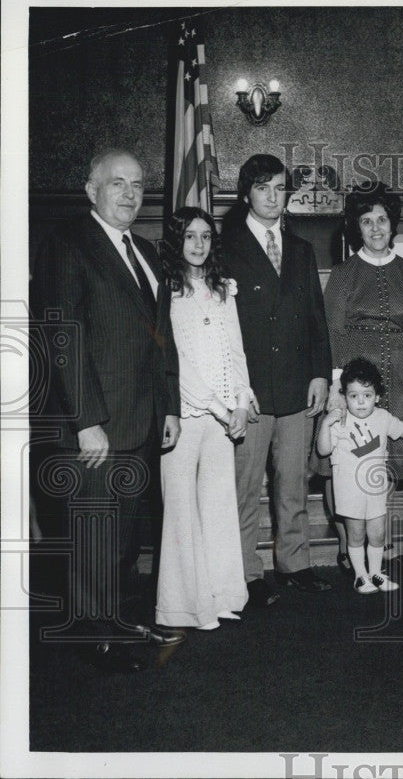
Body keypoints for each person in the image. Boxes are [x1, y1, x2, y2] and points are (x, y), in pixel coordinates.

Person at [32, 149, 184, 673]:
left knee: (122, 535)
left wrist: (169, 405)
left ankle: (118, 620)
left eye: (138, 185)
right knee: (94, 535)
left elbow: (160, 340)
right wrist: (86, 421)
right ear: (90, 189)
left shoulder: (143, 249)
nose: (129, 193)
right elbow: (62, 337)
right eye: (116, 183)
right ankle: (93, 636)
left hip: (142, 418)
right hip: (96, 424)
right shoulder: (67, 244)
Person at [221, 153, 332, 606]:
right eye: (263, 187)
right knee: (244, 489)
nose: (272, 196)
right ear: (247, 192)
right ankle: (246, 573)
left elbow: (316, 320)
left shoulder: (302, 249)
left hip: (295, 387)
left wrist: (321, 375)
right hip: (246, 391)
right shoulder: (223, 246)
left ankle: (295, 564)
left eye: (280, 188)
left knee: (293, 484)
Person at [314, 182, 403, 578]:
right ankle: (349, 545)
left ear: (392, 224)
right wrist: (337, 391)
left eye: (382, 219)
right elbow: (332, 332)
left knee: (388, 461)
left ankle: (380, 543)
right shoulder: (344, 275)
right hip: (354, 378)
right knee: (342, 464)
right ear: (356, 228)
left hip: (397, 378)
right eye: (366, 221)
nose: (376, 228)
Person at [156, 207, 251, 629]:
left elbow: (236, 351)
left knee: (218, 506)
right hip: (183, 412)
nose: (198, 244)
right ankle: (185, 606)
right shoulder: (165, 290)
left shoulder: (223, 288)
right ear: (176, 241)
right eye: (190, 236)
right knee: (181, 510)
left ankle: (222, 594)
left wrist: (243, 403)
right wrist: (219, 407)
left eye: (206, 237)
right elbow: (175, 360)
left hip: (224, 415)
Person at [317, 358, 403, 593]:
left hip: (375, 489)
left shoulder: (383, 417)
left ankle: (375, 573)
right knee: (355, 535)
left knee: (377, 533)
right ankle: (360, 576)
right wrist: (326, 425)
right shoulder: (341, 420)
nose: (360, 402)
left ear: (377, 397)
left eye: (367, 395)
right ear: (345, 396)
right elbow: (323, 450)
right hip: (348, 490)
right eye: (354, 396)